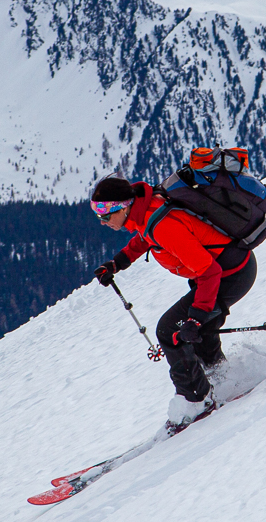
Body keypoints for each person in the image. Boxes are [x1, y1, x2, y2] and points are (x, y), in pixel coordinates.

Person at [89, 175, 257, 432]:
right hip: (229, 268)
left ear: (123, 207)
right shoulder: (146, 212)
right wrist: (118, 262)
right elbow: (145, 237)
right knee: (199, 329)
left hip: (229, 275)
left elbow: (208, 271)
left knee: (170, 331)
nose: (102, 222)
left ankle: (196, 400)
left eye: (105, 215)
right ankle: (219, 375)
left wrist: (196, 316)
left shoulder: (162, 225)